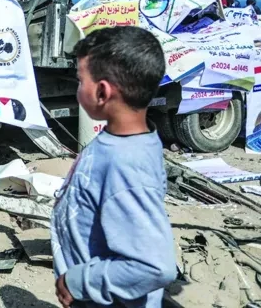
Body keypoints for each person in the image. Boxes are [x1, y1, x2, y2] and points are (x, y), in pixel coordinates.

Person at [53, 26, 176, 308]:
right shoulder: (124, 140)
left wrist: (78, 281)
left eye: (80, 80)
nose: (78, 87)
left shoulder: (125, 164)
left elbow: (156, 266)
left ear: (102, 92)